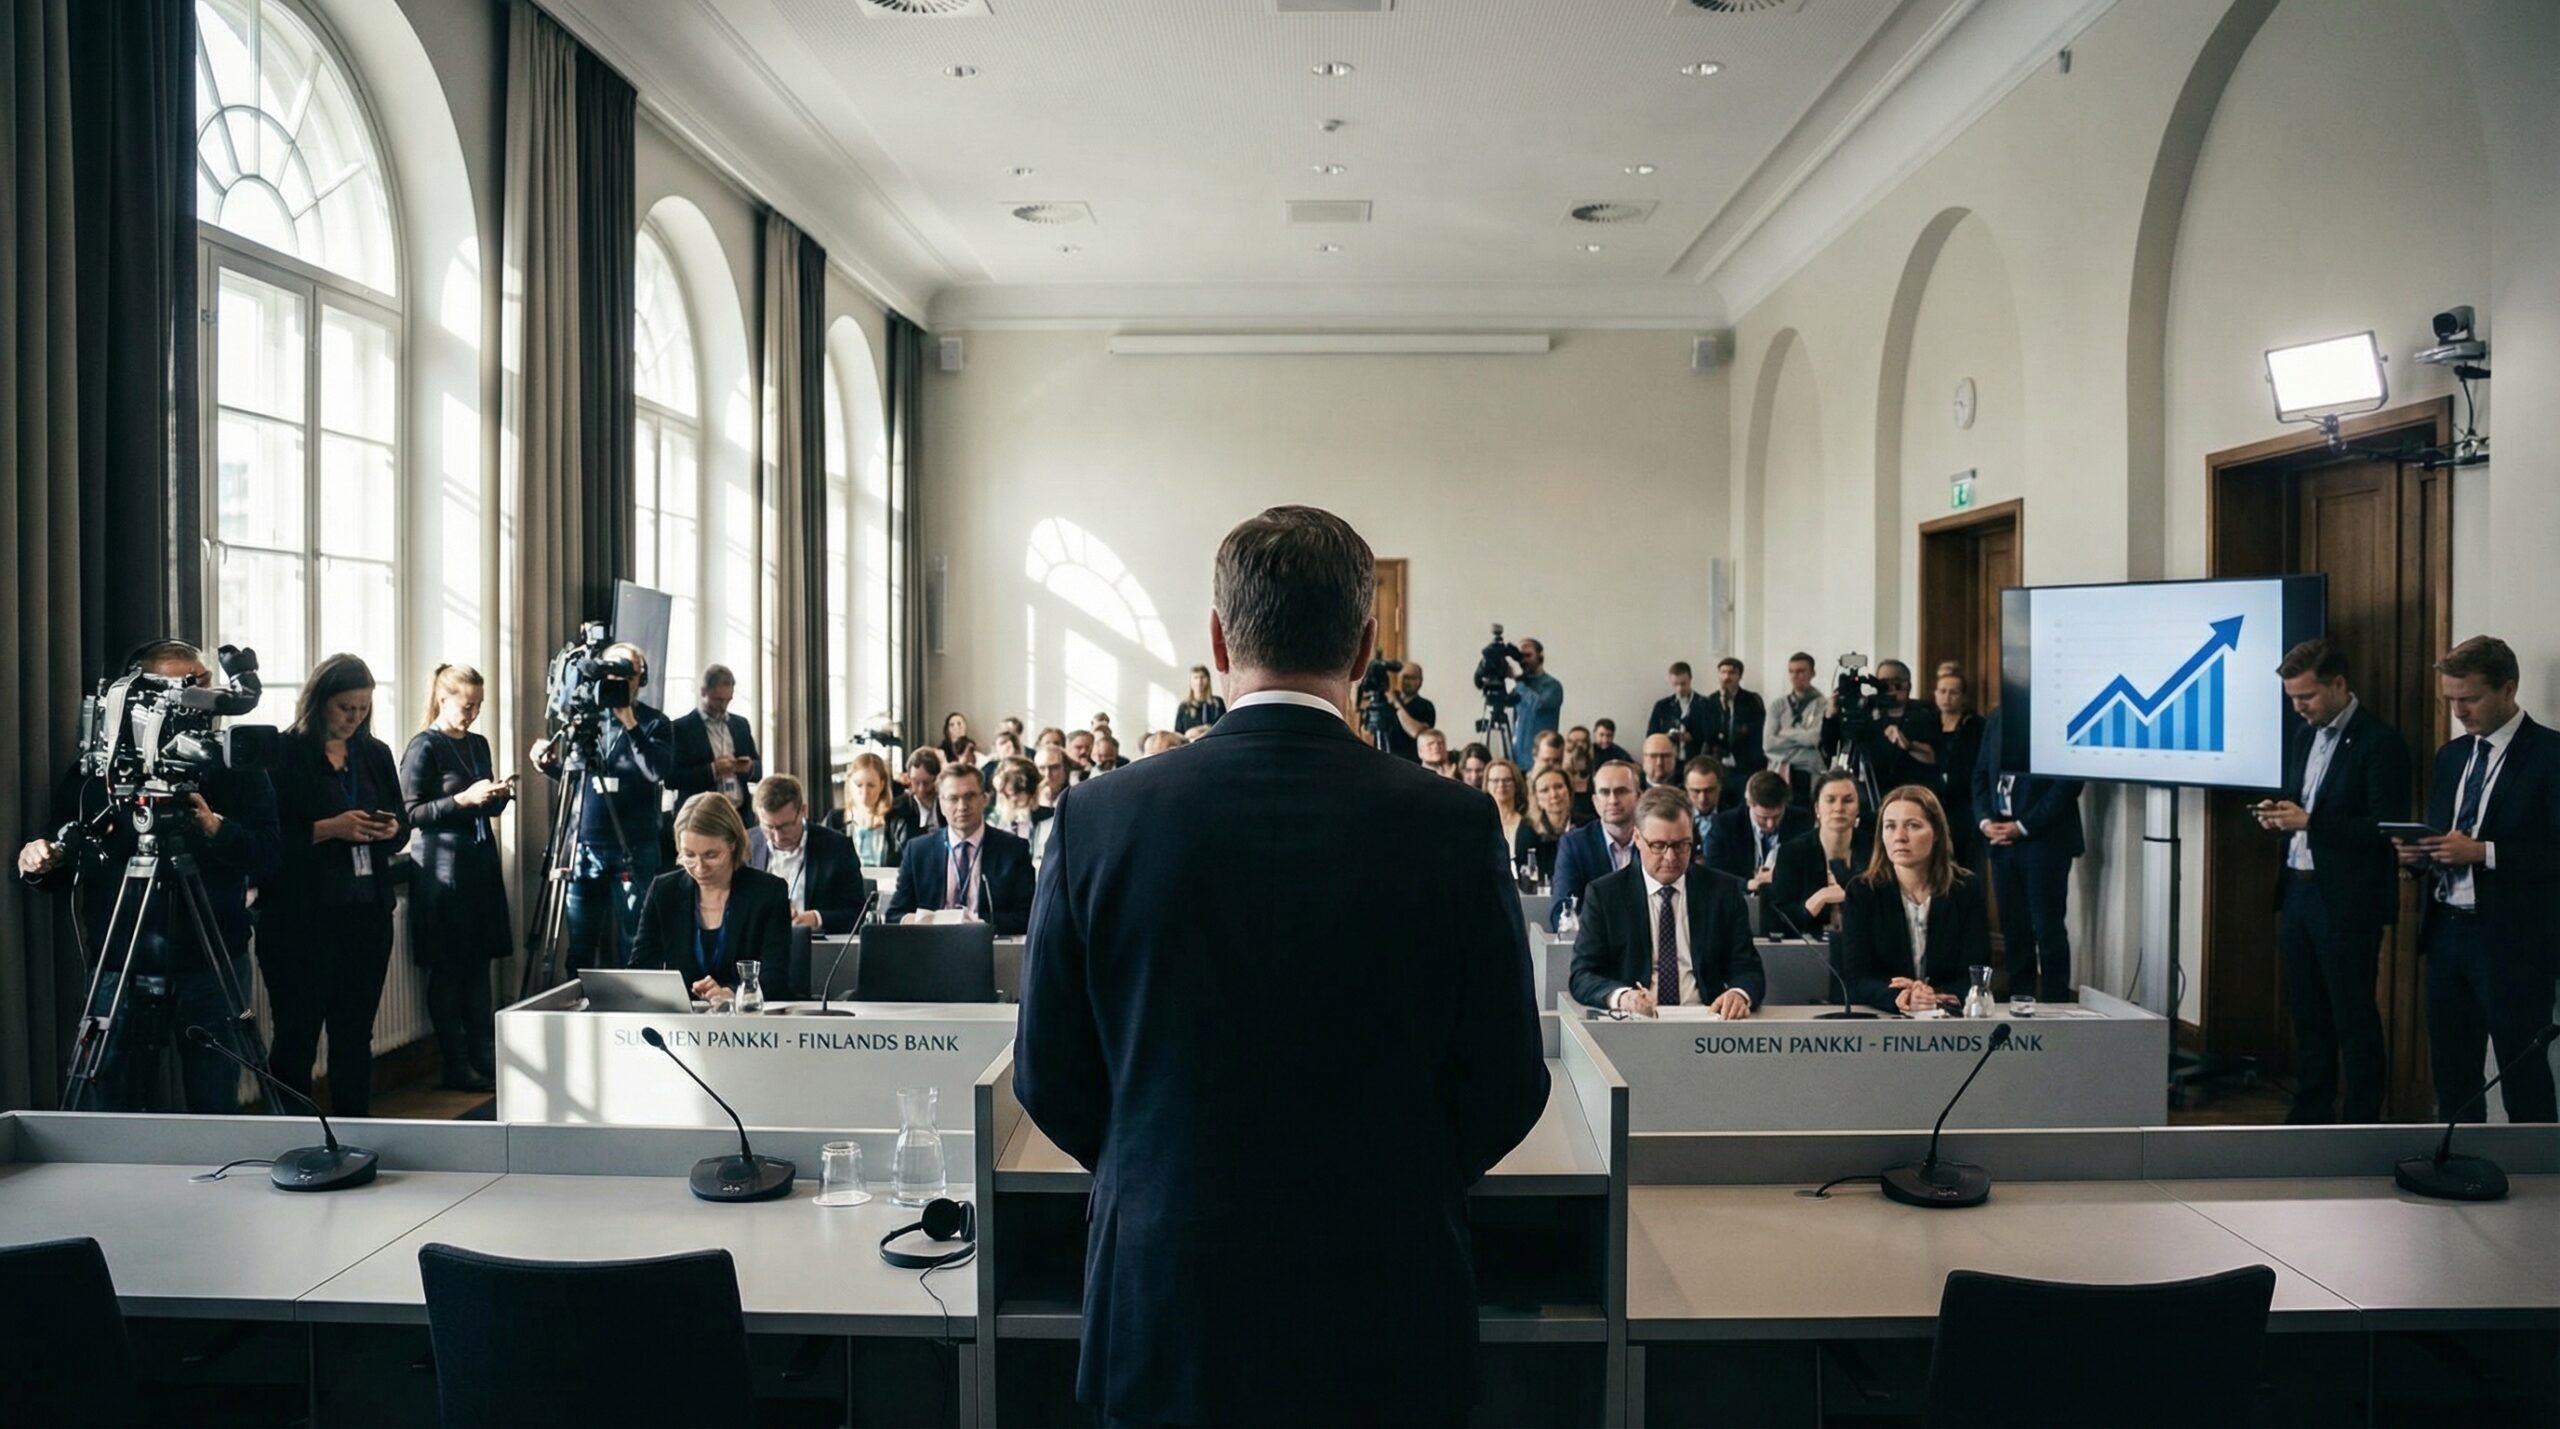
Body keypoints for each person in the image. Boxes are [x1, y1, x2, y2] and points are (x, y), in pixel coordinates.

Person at [1015, 504, 1547, 1427]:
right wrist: (1399, 1173)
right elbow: (1506, 1082)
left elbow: (1048, 1074)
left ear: (1219, 640)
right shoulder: (1453, 826)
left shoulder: (1099, 818)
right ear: (1365, 648)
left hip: (1170, 1291)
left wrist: (1162, 1161)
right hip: (1385, 1295)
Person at [18, 640, 280, 1113]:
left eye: (200, 684)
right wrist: (37, 860)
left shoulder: (234, 765)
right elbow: (64, 862)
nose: (198, 701)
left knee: (214, 1104)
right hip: (121, 963)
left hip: (211, 963)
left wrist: (216, 828)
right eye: (182, 689)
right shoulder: (100, 773)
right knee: (106, 1099)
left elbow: (269, 856)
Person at [2397, 636, 2558, 1124]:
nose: (2458, 711)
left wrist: (2483, 852)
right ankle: (2458, 1159)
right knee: (2452, 1072)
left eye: (2469, 699)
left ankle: (2535, 1169)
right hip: (2446, 933)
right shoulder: (2451, 756)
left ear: (2508, 689)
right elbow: (2444, 836)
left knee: (2522, 1074)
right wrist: (2418, 855)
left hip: (2513, 941)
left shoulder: (2550, 755)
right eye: (2451, 699)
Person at [2251, 640, 2409, 1124]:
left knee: (2353, 1016)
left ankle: (2361, 1122)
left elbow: (2386, 827)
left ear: (2339, 684)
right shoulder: (2305, 736)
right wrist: (2279, 814)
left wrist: (2309, 822)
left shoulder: (2380, 742)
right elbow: (2302, 802)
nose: (2298, 708)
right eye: (2292, 698)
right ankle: (2310, 1115)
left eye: (2307, 696)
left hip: (2347, 901)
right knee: (2308, 1014)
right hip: (2298, 892)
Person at [260, 654, 411, 1117]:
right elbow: (265, 841)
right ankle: (293, 1136)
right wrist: (329, 829)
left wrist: (391, 830)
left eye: (363, 709)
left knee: (354, 1036)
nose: (354, 718)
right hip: (300, 920)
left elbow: (402, 825)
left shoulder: (375, 753)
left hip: (366, 914)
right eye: (346, 708)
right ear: (319, 701)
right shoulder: (283, 753)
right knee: (296, 1037)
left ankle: (354, 1133)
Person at [401, 663, 513, 1092]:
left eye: (479, 705)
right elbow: (410, 812)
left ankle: (483, 1055)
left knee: (479, 967)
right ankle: (455, 1061)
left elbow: (483, 804)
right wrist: (463, 800)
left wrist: (498, 795)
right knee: (448, 970)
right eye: (467, 705)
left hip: (478, 865)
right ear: (443, 700)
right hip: (441, 873)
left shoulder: (478, 743)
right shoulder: (424, 746)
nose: (473, 713)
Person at [1570, 787, 1765, 1018]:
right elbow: (1582, 975)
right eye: (1658, 846)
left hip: (1706, 1018)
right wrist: (1622, 997)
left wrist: (1738, 994)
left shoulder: (1722, 892)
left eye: (1681, 845)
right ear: (1637, 838)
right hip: (1634, 1020)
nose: (1671, 857)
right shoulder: (1605, 895)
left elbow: (1748, 969)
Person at [536, 641, 671, 970]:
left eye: (628, 675)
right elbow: (578, 777)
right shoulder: (585, 721)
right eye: (611, 673)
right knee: (581, 946)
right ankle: (581, 998)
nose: (619, 682)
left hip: (634, 846)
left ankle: (634, 1001)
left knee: (636, 941)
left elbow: (657, 770)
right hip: (584, 847)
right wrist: (548, 766)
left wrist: (631, 724)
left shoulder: (654, 722)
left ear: (641, 679)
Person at [1836, 785, 1987, 1013]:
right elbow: (1856, 980)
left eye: (1913, 825)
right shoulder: (1862, 891)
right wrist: (1903, 997)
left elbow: (1976, 972)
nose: (1899, 837)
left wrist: (1932, 996)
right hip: (1884, 1018)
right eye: (1890, 826)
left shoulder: (1965, 889)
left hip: (1948, 1018)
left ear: (1936, 833)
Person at [1972, 706, 2085, 1003]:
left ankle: (2055, 1004)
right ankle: (2019, 1000)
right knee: (2014, 929)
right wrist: (1985, 821)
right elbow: (1981, 773)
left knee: (2047, 928)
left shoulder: (2058, 715)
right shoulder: (1998, 717)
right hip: (1999, 840)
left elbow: (2068, 783)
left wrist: (2022, 826)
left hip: (2045, 842)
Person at [633, 793, 792, 1002]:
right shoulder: (663, 891)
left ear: (733, 844)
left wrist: (734, 995)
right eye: (689, 855)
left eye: (711, 855)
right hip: (682, 1016)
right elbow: (640, 969)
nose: (700, 868)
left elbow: (775, 979)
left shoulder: (768, 892)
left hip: (746, 1016)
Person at [883, 761, 1035, 935]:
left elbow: (1029, 916)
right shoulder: (918, 851)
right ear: (941, 803)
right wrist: (921, 921)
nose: (962, 806)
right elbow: (894, 915)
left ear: (984, 799)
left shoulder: (1013, 850)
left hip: (988, 944)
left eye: (970, 796)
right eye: (953, 798)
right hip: (932, 945)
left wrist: (980, 923)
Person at [747, 774, 870, 933]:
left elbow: (858, 915)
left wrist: (816, 918)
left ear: (803, 811)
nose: (777, 837)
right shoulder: (747, 844)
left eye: (785, 826)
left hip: (814, 944)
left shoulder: (837, 847)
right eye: (769, 827)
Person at [1768, 771, 1871, 938]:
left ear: (1858, 807)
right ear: (1817, 808)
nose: (1839, 808)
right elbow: (1778, 918)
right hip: (1808, 947)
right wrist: (1818, 899)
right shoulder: (1792, 852)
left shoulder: (1875, 850)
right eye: (1830, 800)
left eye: (1848, 800)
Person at [1550, 759, 1642, 929]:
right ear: (1595, 801)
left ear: (1638, 796)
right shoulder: (1574, 845)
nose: (1613, 800)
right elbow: (1562, 911)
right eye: (1605, 792)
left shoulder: (1654, 842)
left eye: (1621, 791)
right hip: (1594, 941)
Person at [668, 664, 761, 819]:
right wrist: (713, 770)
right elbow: (672, 779)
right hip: (701, 817)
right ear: (703, 692)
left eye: (728, 700)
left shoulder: (741, 724)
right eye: (718, 700)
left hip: (740, 815)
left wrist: (749, 767)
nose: (723, 706)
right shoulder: (680, 728)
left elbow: (759, 770)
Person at [1704, 770, 1811, 892]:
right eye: (1763, 818)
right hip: (1739, 898)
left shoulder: (1802, 822)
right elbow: (1712, 874)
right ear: (1749, 803)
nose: (1770, 824)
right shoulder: (1724, 826)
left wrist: (1780, 878)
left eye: (1776, 816)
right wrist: (1748, 884)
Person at [1931, 671, 1987, 870]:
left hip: (1964, 805)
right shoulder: (1927, 722)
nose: (1947, 697)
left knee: (1964, 863)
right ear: (1935, 693)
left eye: (1953, 692)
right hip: (1934, 801)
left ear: (1963, 697)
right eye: (1942, 691)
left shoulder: (1977, 726)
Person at [1766, 651, 1826, 806]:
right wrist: (1804, 745)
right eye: (1791, 672)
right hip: (1779, 772)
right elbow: (1768, 744)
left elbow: (1814, 738)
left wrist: (1784, 733)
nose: (1795, 676)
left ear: (1812, 673)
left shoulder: (1822, 704)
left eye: (1800, 671)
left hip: (1809, 775)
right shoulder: (1777, 705)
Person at [1702, 657, 1767, 794]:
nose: (1726, 677)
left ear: (1740, 676)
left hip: (1746, 765)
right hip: (1718, 764)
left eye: (1731, 673)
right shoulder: (1709, 701)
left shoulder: (1752, 700)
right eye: (1723, 672)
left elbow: (1757, 733)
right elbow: (1708, 733)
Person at [832, 751, 903, 867]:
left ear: (882, 785)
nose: (865, 793)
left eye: (871, 785)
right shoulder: (834, 821)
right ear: (849, 784)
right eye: (858, 785)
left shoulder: (897, 823)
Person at [1506, 636, 1563, 770]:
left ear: (1540, 657)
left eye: (1528, 656)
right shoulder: (1520, 686)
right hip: (1516, 759)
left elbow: (1537, 705)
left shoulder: (1553, 685)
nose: (1523, 661)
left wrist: (1517, 680)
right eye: (1521, 657)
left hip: (1543, 760)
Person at [1646, 661, 1713, 764]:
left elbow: (1713, 735)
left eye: (1683, 684)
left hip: (1698, 761)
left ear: (1690, 679)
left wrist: (1693, 737)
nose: (1680, 689)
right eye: (1675, 684)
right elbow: (1651, 737)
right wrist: (1667, 737)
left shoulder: (1706, 704)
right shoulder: (1662, 706)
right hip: (1669, 762)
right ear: (1670, 681)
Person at [990, 756, 1055, 859]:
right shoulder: (991, 821)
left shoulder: (1051, 819)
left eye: (1015, 793)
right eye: (1001, 793)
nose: (1005, 798)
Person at [1373, 660, 1436, 761]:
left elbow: (1416, 732)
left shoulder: (1425, 706)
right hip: (1384, 759)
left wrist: (1396, 704)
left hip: (1411, 762)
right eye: (1404, 677)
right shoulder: (1386, 700)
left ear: (1420, 681)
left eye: (1412, 678)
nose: (1407, 682)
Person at [1524, 767, 1579, 880]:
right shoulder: (1528, 832)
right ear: (1536, 799)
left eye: (1558, 787)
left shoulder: (1588, 826)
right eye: (1545, 790)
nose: (1554, 795)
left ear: (1569, 791)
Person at [890, 747, 944, 847]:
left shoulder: (946, 803)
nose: (921, 789)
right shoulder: (898, 808)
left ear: (937, 778)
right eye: (915, 782)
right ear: (908, 778)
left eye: (926, 782)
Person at [1485, 758, 1532, 865]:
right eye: (1495, 780)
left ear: (1516, 784)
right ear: (1487, 785)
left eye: (1507, 780)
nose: (1501, 785)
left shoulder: (1529, 823)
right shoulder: (1482, 823)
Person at [1681, 758, 1725, 850]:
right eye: (1696, 791)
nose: (1702, 799)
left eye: (1709, 791)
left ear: (1720, 786)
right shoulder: (1677, 816)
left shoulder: (1735, 818)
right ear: (1686, 787)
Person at [1175, 664, 1227, 734]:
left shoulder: (1217, 703)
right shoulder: (1184, 706)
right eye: (1196, 677)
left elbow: (1224, 728)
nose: (1199, 681)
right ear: (1190, 682)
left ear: (1208, 680)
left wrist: (1203, 729)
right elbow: (1178, 734)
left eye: (1202, 677)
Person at [1033, 743, 1073, 808]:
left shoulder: (1077, 798)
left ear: (1066, 768)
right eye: (1042, 768)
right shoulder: (1029, 802)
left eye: (1054, 767)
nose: (1047, 774)